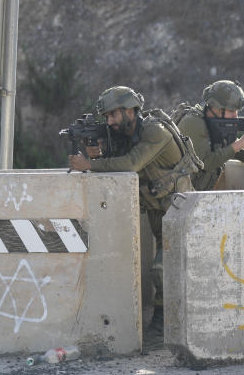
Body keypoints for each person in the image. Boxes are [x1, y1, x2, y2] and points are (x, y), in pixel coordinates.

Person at [68, 86, 198, 332]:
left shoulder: (154, 131)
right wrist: (98, 154)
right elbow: (118, 161)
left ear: (129, 110)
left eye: (113, 115)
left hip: (181, 212)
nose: (110, 122)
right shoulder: (128, 135)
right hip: (160, 213)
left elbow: (131, 163)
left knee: (162, 269)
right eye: (106, 118)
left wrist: (89, 164)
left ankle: (162, 326)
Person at [174, 80, 244, 191]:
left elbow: (235, 151)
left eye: (237, 111)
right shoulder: (193, 123)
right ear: (216, 108)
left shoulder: (216, 123)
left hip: (195, 193)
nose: (235, 116)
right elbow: (206, 163)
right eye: (231, 111)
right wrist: (239, 144)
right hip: (178, 197)